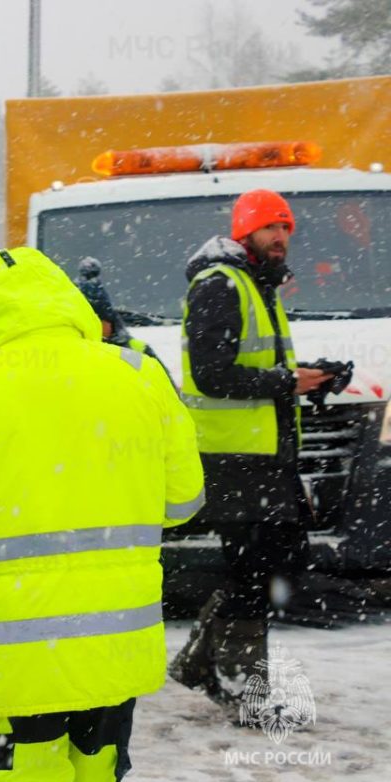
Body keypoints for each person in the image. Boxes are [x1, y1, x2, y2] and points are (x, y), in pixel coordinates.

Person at [0, 247, 204, 782]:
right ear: (65, 298)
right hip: (116, 634)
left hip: (11, 642)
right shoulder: (139, 373)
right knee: (97, 781)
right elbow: (184, 501)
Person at [169, 189, 334, 715]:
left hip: (264, 459)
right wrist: (288, 381)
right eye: (270, 227)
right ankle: (244, 690)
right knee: (255, 575)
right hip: (234, 461)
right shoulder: (220, 284)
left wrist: (313, 377)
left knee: (270, 567)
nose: (281, 237)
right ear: (246, 232)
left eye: (286, 228)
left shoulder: (258, 284)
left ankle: (201, 662)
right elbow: (211, 375)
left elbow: (257, 368)